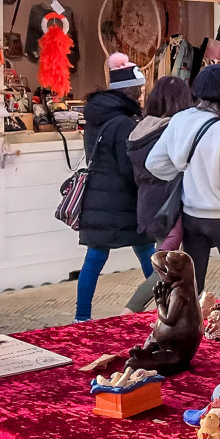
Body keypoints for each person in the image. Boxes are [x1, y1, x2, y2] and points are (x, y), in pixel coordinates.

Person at [146, 64, 220, 297]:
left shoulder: (180, 119)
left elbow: (154, 163)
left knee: (192, 286)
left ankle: (193, 328)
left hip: (190, 216)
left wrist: (182, 167)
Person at [74, 53, 156, 322]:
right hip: (123, 201)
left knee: (94, 259)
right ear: (128, 91)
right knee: (148, 255)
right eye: (139, 90)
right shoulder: (123, 123)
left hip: (98, 198)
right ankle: (164, 308)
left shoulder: (96, 117)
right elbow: (127, 167)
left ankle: (81, 318)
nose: (142, 95)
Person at [121, 76, 194, 315]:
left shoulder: (139, 128)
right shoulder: (171, 129)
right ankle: (130, 310)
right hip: (169, 205)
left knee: (166, 263)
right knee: (167, 270)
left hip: (148, 204)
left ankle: (174, 313)